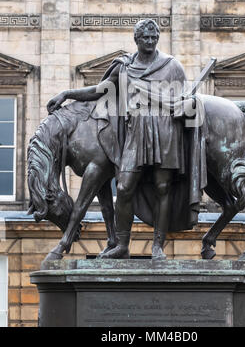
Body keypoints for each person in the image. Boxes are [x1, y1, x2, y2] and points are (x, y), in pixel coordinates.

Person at [47, 18, 206, 260]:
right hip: (137, 132)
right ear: (136, 40)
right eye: (145, 38)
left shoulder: (172, 66)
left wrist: (187, 105)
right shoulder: (124, 67)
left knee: (164, 188)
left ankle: (157, 247)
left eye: (154, 37)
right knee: (123, 187)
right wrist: (66, 93)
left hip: (165, 131)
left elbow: (186, 100)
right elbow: (99, 91)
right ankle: (121, 244)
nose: (150, 41)